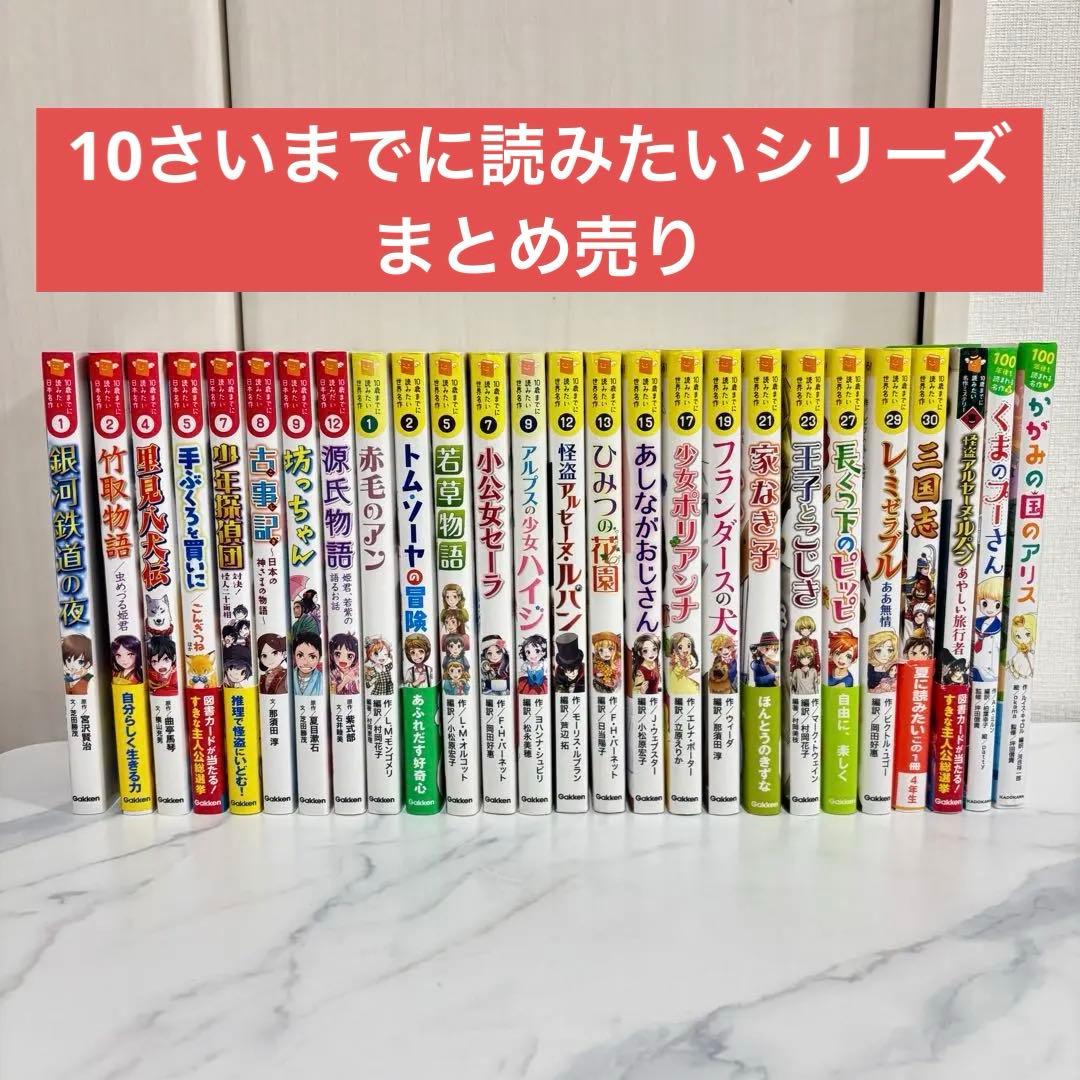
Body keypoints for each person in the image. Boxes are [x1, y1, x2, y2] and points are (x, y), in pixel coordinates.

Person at [1006, 614, 1036, 679]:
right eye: (1018, 636)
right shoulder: (1018, 648)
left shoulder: (1033, 646)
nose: (1023, 640)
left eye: (1027, 634)